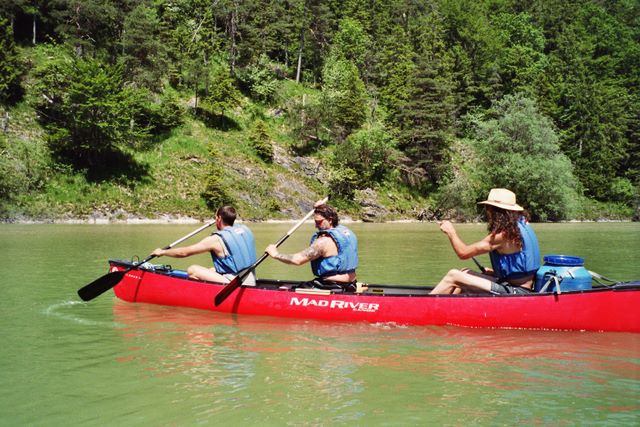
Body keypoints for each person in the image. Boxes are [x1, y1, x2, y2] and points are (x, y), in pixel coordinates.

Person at [430, 188, 541, 295]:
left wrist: (451, 232)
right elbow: (519, 267)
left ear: (496, 211)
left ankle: (423, 308)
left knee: (453, 276)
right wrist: (494, 272)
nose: (487, 212)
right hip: (515, 284)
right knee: (465, 272)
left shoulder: (503, 235)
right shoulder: (522, 225)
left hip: (515, 291)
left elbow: (463, 253)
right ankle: (448, 307)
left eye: (488, 208)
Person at [265, 201, 359, 292]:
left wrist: (275, 254)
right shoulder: (346, 232)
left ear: (330, 220)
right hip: (351, 284)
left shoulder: (323, 242)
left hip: (329, 286)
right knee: (291, 286)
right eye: (315, 222)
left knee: (285, 288)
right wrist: (322, 207)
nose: (316, 226)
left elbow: (297, 260)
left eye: (319, 222)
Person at [151, 206, 257, 285]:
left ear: (219, 219)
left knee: (193, 270)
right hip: (250, 278)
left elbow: (184, 253)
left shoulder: (216, 239)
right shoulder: (244, 230)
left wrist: (162, 252)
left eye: (215, 217)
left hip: (234, 285)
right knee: (211, 269)